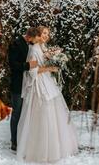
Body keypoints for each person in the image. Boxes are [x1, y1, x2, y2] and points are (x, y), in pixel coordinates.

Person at [17, 26, 78, 163]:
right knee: (43, 112)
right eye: (44, 33)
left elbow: (44, 58)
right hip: (39, 84)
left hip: (47, 81)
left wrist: (53, 56)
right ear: (38, 34)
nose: (46, 36)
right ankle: (39, 149)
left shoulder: (43, 47)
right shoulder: (33, 50)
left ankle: (56, 146)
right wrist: (50, 68)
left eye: (47, 34)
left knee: (54, 111)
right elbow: (32, 71)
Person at [8, 28, 38, 151]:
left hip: (27, 84)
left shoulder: (29, 45)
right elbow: (12, 64)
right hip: (17, 85)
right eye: (35, 38)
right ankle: (14, 141)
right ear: (30, 37)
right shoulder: (16, 44)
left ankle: (21, 139)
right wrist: (28, 65)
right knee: (16, 113)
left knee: (24, 113)